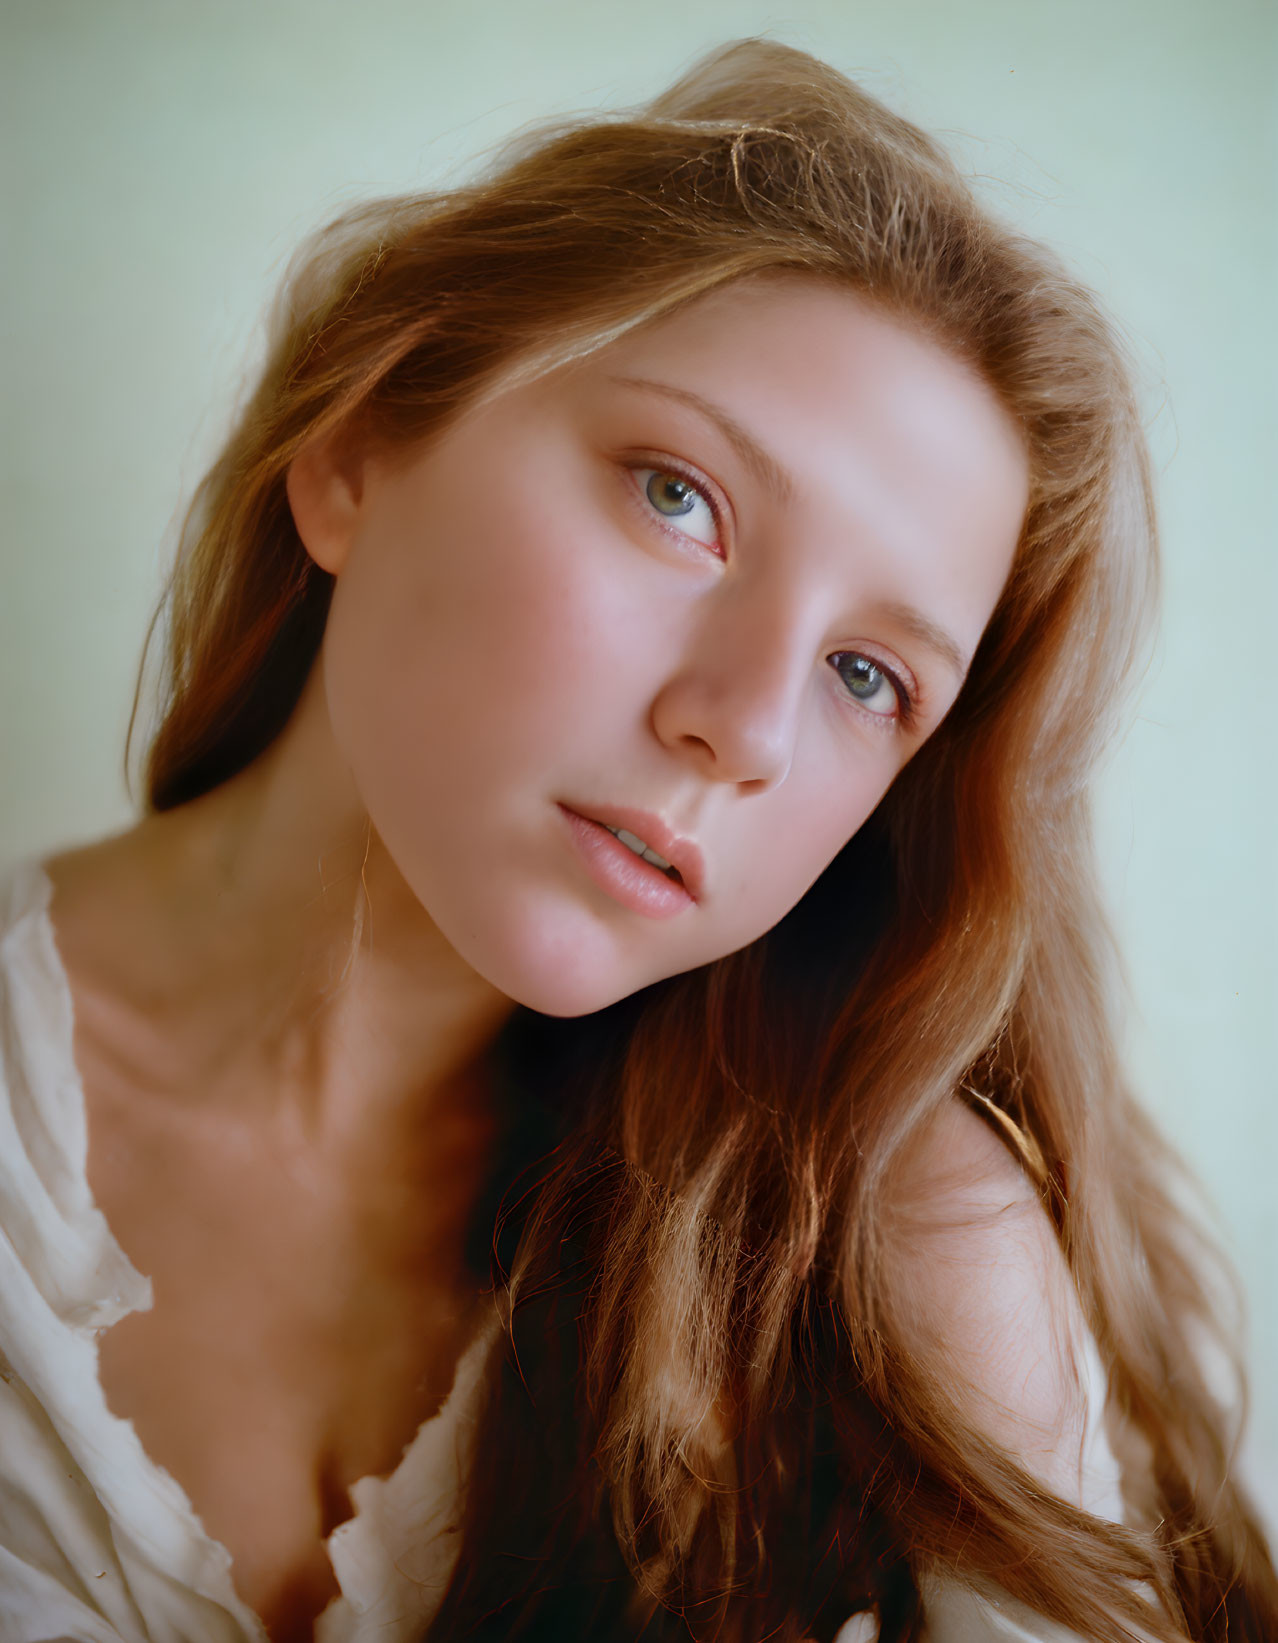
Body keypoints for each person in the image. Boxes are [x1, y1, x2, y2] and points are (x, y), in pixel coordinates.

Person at [0, 34, 1273, 1643]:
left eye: (867, 676)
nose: (740, 731)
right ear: (357, 448)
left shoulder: (889, 1254)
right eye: (679, 498)